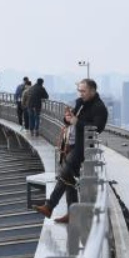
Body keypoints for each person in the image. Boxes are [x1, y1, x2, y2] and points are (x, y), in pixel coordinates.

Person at [35, 78, 108, 223]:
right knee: (68, 179)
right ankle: (71, 214)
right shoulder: (80, 103)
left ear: (93, 91)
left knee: (65, 173)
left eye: (83, 91)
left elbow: (97, 128)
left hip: (84, 147)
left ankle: (49, 206)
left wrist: (76, 122)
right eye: (79, 90)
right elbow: (71, 119)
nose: (81, 94)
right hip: (72, 144)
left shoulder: (99, 107)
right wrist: (67, 118)